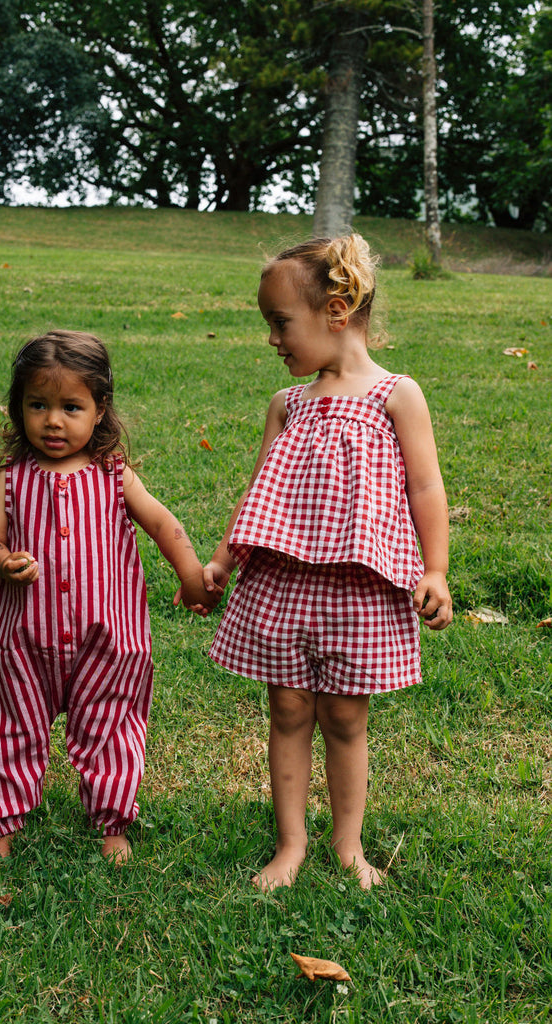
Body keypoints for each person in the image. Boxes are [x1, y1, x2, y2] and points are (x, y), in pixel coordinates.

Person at [202, 235, 453, 891]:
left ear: (336, 310)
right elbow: (259, 490)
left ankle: (348, 844)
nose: (272, 339)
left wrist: (434, 570)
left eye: (280, 323)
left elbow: (426, 488)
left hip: (360, 590)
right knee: (286, 710)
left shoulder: (396, 395)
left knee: (344, 716)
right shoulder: (287, 405)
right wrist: (224, 561)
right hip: (282, 585)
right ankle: (290, 844)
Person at [0, 330, 220, 868]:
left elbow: (163, 525)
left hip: (108, 639)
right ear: (18, 408)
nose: (53, 421)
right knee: (7, 727)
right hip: (21, 641)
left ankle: (112, 822)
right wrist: (3, 560)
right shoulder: (10, 480)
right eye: (38, 405)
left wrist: (193, 577)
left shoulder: (113, 476)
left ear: (100, 409)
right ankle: (1, 825)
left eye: (70, 407)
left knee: (111, 726)